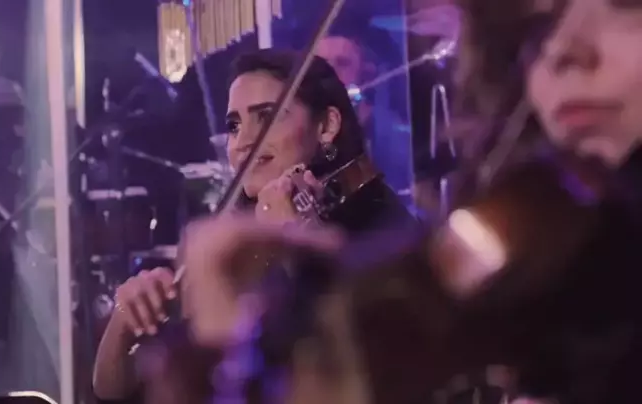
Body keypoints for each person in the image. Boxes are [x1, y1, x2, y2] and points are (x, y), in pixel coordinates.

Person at [174, 0, 642, 402]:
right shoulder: (559, 232)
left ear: (328, 125)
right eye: (538, 27)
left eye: (623, 6)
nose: (562, 52)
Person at [92, 48, 414, 403]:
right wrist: (125, 322)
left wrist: (296, 253)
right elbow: (115, 390)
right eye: (234, 125)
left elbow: (349, 375)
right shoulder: (237, 233)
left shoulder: (381, 230)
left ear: (326, 126)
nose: (244, 141)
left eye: (267, 117)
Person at [312, 17, 415, 199]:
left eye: (343, 63)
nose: (330, 74)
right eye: (322, 64)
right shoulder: (302, 136)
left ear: (366, 73)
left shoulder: (398, 140)